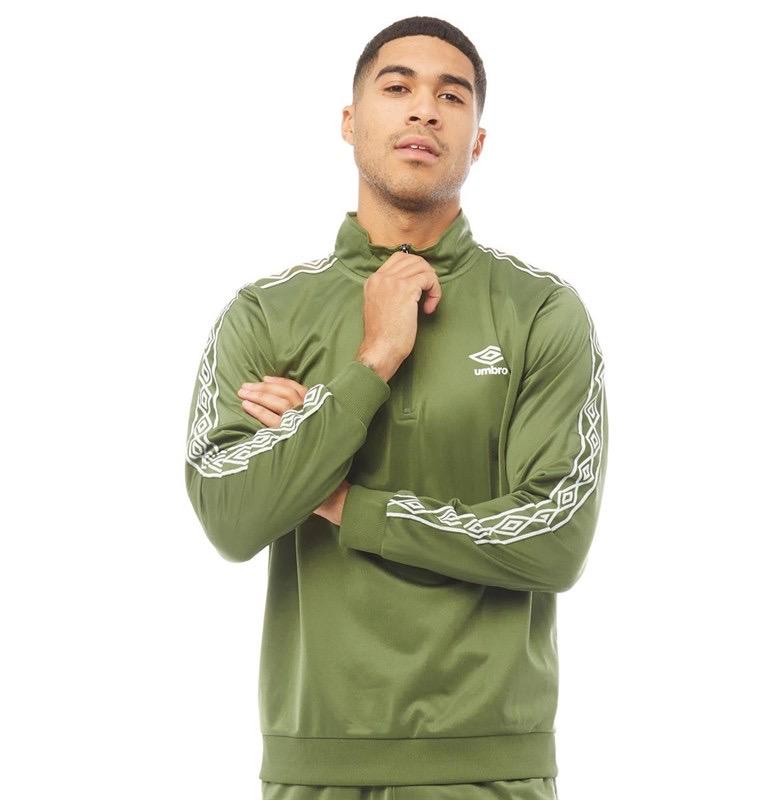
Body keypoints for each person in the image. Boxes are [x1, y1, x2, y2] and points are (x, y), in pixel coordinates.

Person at [184, 15, 607, 800]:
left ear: (477, 141)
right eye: (398, 87)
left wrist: (339, 498)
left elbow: (555, 538)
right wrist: (372, 361)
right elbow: (230, 518)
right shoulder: (264, 315)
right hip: (311, 768)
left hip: (489, 770)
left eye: (452, 95)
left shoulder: (542, 311)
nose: (423, 110)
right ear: (350, 122)